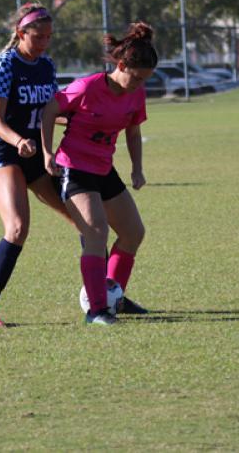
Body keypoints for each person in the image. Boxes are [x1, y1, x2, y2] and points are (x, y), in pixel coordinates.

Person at [41, 22, 158, 325]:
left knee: (133, 233)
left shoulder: (136, 94)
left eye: (145, 79)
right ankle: (96, 311)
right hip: (74, 168)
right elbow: (49, 111)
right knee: (95, 232)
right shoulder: (87, 87)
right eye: (136, 77)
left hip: (104, 169)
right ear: (121, 65)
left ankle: (113, 294)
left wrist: (137, 168)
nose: (139, 85)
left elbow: (133, 132)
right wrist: (47, 153)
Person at [0, 3, 72, 328]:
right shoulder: (6, 63)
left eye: (49, 37)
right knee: (17, 228)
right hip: (5, 154)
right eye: (38, 36)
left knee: (89, 220)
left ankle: (107, 294)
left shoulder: (46, 65)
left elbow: (47, 112)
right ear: (21, 33)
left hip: (37, 157)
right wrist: (18, 141)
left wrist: (77, 121)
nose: (44, 43)